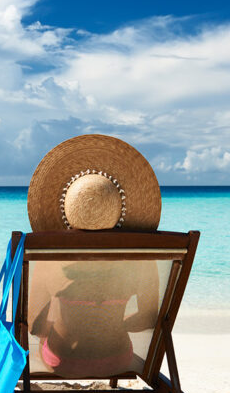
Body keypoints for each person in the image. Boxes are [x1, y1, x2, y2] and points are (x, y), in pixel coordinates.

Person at [24, 134, 164, 378]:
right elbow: (149, 318)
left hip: (63, 361)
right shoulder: (142, 257)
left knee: (44, 337)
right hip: (118, 358)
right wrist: (111, 326)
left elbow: (35, 325)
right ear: (119, 207)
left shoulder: (48, 258)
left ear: (67, 208)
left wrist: (64, 325)